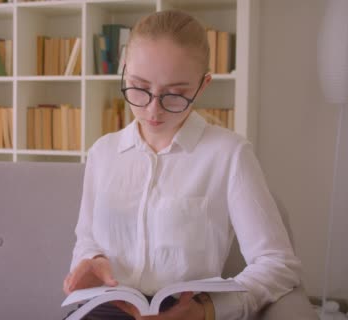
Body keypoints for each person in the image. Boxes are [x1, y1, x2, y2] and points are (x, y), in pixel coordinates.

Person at [62, 9, 302, 320]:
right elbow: (87, 240)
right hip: (105, 309)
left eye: (175, 95)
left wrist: (209, 310)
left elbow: (278, 263)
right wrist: (91, 261)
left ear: (203, 86)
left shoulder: (229, 154)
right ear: (124, 70)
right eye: (138, 87)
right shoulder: (102, 153)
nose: (153, 110)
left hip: (186, 312)